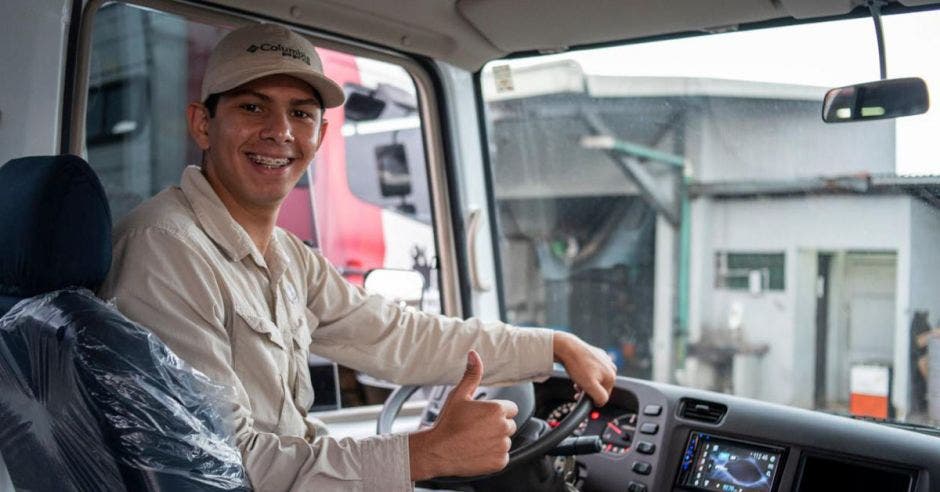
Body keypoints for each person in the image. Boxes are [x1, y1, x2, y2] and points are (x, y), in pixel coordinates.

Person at [99, 23, 616, 491]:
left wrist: (549, 346)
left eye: (300, 113)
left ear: (320, 135)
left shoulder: (285, 256)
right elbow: (226, 465)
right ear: (203, 123)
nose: (280, 131)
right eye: (252, 106)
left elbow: (396, 335)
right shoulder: (166, 250)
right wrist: (425, 454)